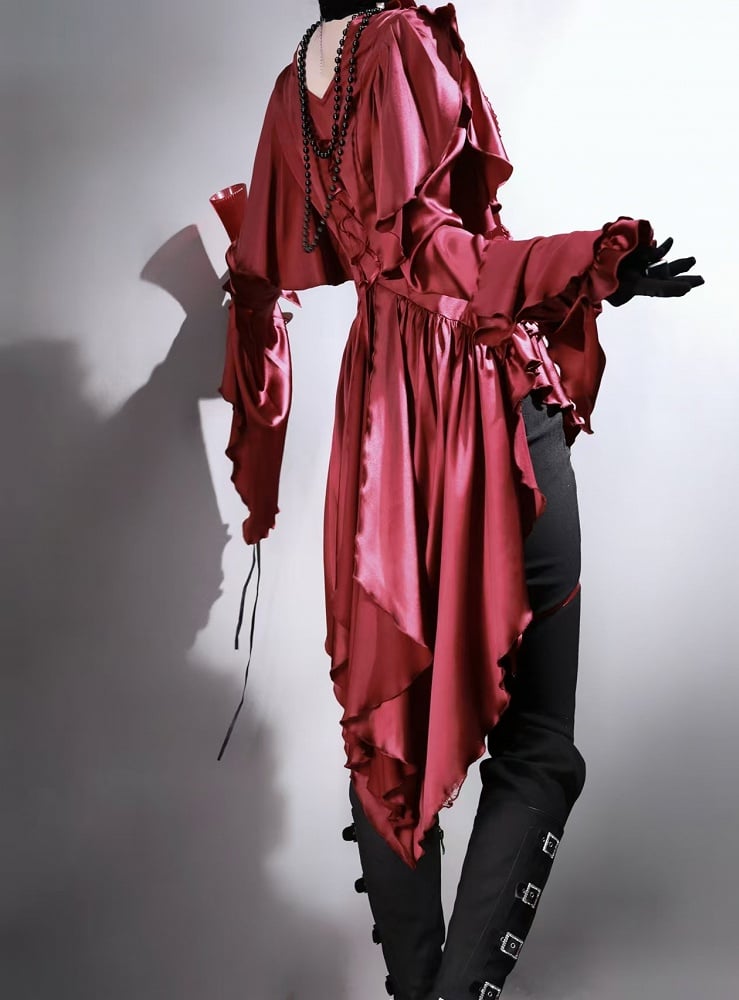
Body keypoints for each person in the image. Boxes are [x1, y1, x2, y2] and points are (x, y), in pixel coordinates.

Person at [209, 2, 704, 998]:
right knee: (538, 743)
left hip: (379, 423)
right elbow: (440, 255)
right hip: (472, 398)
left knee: (390, 739)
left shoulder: (293, 86)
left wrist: (259, 459)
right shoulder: (400, 40)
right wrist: (592, 262)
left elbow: (259, 276)